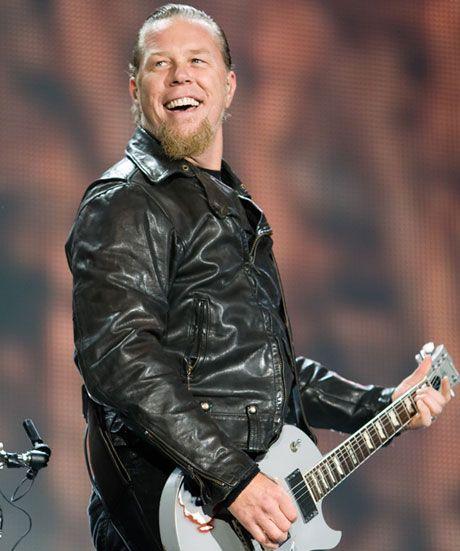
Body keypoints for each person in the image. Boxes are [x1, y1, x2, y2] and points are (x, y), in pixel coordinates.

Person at [65, 5, 453, 550]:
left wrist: (382, 404)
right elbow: (120, 359)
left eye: (197, 61)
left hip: (247, 515)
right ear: (135, 89)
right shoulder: (126, 201)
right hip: (183, 516)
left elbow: (269, 374)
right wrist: (234, 480)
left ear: (228, 87)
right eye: (160, 64)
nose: (180, 76)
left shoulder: (232, 207)